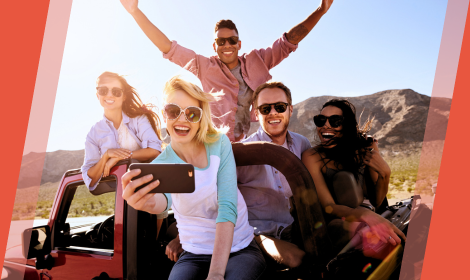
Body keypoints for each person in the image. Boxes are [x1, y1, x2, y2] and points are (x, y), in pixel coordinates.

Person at [120, 0, 334, 141]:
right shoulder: (204, 66)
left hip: (251, 140)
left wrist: (321, 10)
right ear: (214, 46)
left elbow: (288, 41)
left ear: (239, 43)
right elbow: (168, 47)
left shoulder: (258, 60)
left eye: (232, 40)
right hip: (216, 143)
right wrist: (135, 12)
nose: (227, 45)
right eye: (221, 42)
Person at [121, 76, 266, 280]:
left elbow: (228, 206)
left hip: (239, 248)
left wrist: (215, 274)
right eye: (173, 111)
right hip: (193, 254)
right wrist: (145, 203)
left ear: (201, 119)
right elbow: (163, 201)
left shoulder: (219, 145)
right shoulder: (162, 163)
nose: (182, 119)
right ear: (165, 115)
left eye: (192, 113)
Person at [301, 99, 406, 251]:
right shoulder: (312, 157)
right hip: (340, 221)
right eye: (321, 120)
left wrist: (385, 173)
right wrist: (363, 214)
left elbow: (377, 201)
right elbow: (329, 207)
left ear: (347, 125)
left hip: (373, 213)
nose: (326, 125)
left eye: (335, 121)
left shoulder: (365, 147)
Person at [235, 81, 311, 269]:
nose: (273, 113)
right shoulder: (243, 151)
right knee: (298, 261)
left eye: (280, 107)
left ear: (290, 110)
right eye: (265, 108)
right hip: (256, 232)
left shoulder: (302, 144)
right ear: (256, 113)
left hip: (293, 227)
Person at [81, 71, 163, 191]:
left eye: (116, 92)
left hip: (150, 190)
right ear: (97, 95)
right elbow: (90, 177)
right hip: (119, 199)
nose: (109, 95)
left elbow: (155, 150)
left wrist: (119, 158)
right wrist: (106, 156)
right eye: (103, 90)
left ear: (124, 96)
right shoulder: (93, 134)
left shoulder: (138, 120)